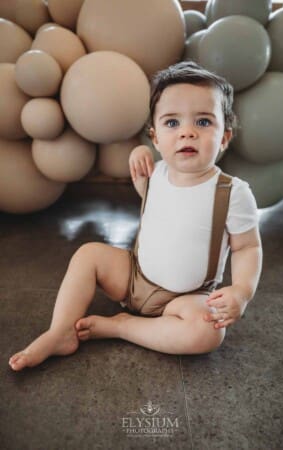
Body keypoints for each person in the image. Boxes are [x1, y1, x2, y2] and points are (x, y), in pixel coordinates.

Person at [9, 61, 262, 371]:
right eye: (172, 123)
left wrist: (241, 291)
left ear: (224, 137)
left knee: (207, 332)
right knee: (88, 254)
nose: (187, 133)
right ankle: (60, 331)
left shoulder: (233, 193)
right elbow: (155, 204)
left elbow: (247, 247)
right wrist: (136, 157)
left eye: (203, 122)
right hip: (133, 278)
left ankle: (122, 326)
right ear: (155, 138)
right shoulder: (156, 174)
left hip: (184, 299)